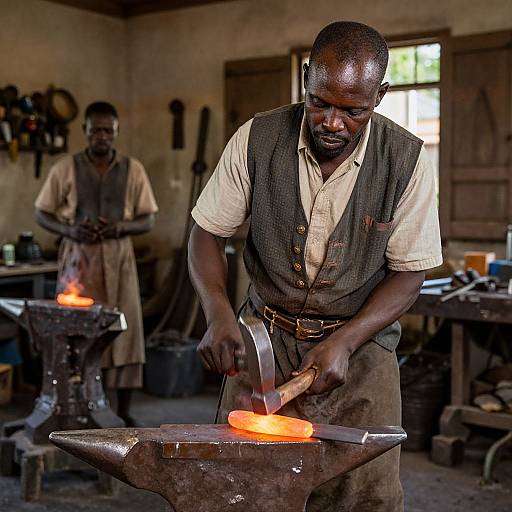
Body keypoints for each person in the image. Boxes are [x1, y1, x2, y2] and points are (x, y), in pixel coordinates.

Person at [189, 21, 443, 510]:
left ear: (380, 95)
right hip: (262, 343)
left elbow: (410, 275)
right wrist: (218, 313)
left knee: (361, 497)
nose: (332, 123)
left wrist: (345, 342)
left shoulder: (406, 159)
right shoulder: (257, 139)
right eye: (320, 102)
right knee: (235, 488)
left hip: (360, 356)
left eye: (353, 112)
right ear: (306, 77)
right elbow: (206, 232)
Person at [35, 101, 158, 426]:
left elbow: (148, 219)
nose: (101, 136)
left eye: (108, 131)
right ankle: (79, 407)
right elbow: (41, 211)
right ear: (85, 132)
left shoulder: (133, 170)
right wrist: (68, 230)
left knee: (123, 330)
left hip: (119, 259)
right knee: (78, 332)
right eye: (95, 131)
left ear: (116, 132)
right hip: (79, 260)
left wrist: (120, 227)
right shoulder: (66, 167)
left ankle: (123, 410)